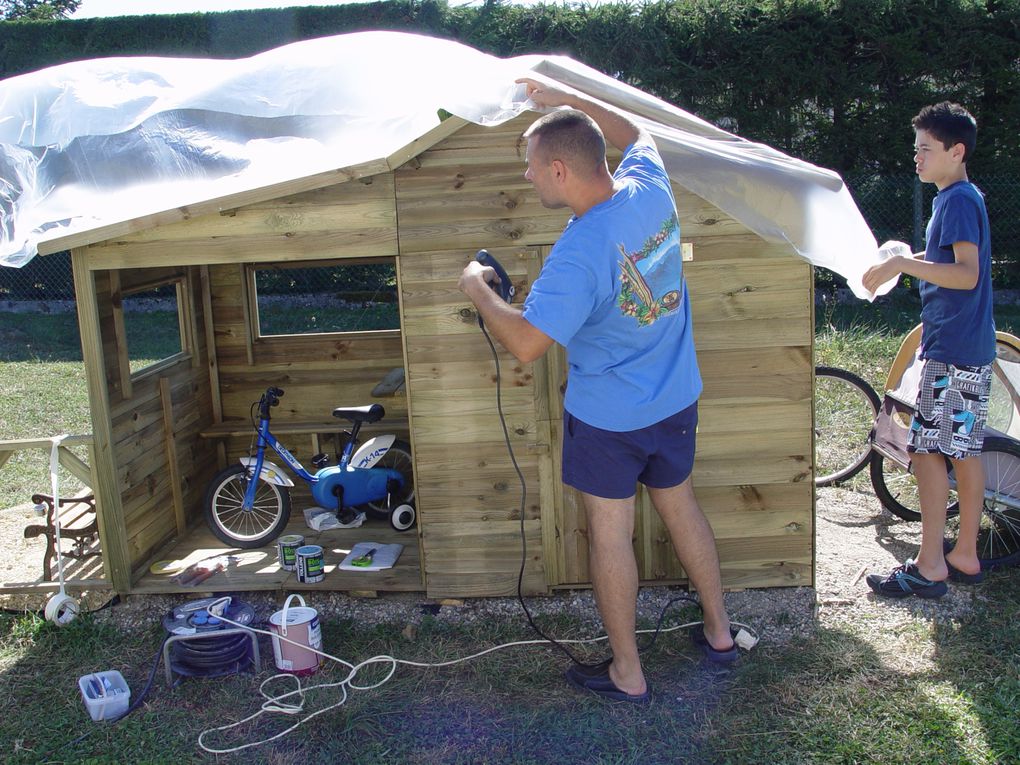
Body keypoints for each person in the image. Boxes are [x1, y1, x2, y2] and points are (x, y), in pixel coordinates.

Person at [458, 76, 735, 703]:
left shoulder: (580, 251)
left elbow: (528, 344)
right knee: (680, 506)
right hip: (676, 399)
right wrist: (566, 99)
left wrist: (477, 287)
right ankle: (719, 633)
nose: (527, 179)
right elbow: (638, 132)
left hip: (610, 419)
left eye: (531, 168)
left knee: (609, 535)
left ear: (559, 170)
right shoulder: (648, 186)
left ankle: (628, 674)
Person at [863, 102, 996, 599]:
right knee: (962, 452)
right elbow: (945, 261)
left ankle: (930, 565)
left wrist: (904, 263)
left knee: (925, 453)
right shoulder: (958, 198)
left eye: (925, 148)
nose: (915, 157)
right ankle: (963, 553)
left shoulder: (958, 201)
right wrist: (901, 263)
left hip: (955, 350)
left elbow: (966, 274)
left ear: (955, 151)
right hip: (966, 346)